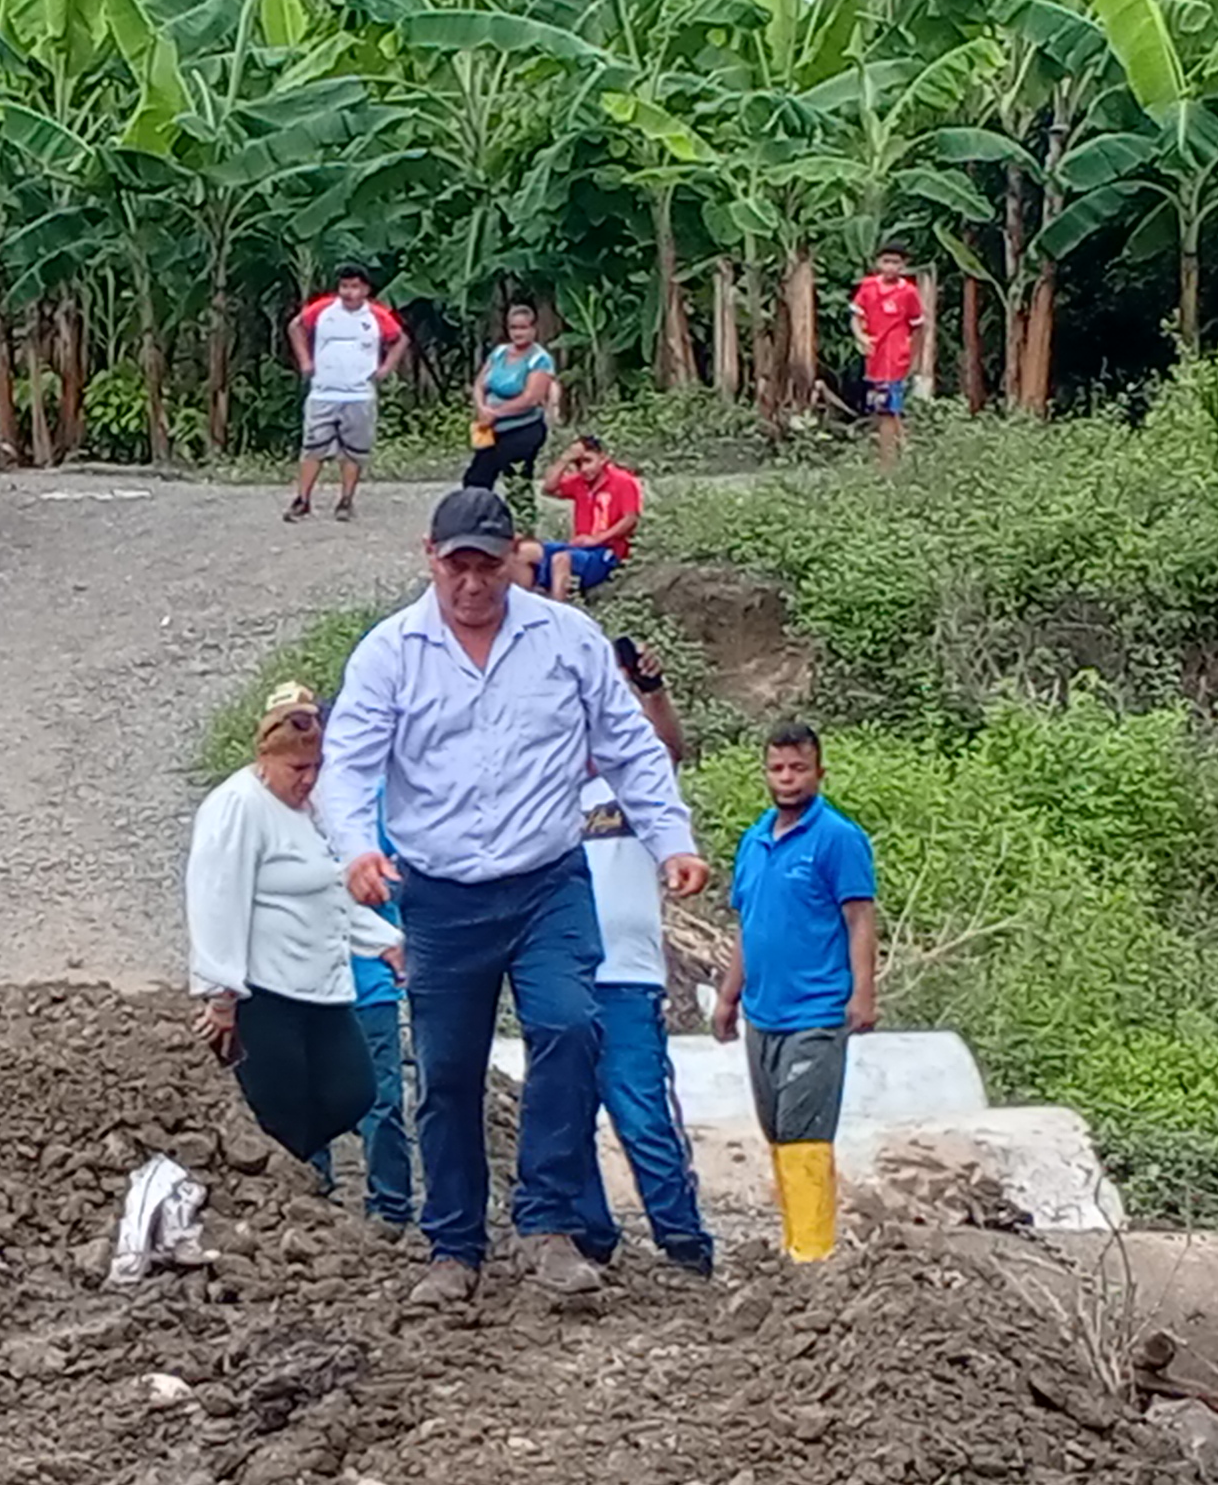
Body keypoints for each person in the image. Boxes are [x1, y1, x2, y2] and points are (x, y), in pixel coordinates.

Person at [316, 487, 706, 1305]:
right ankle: (453, 1245)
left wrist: (672, 839)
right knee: (448, 1071)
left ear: (513, 560)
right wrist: (356, 850)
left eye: (487, 567)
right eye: (456, 566)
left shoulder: (566, 640)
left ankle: (549, 1224)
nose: (472, 584)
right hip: (442, 894)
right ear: (430, 557)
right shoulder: (390, 653)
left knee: (569, 1026)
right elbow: (347, 766)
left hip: (546, 883)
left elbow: (630, 747)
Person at [185, 680, 401, 1188]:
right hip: (266, 991)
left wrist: (384, 942)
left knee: (354, 1092)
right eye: (297, 768)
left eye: (316, 768)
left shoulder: (315, 810)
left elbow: (330, 891)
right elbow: (216, 900)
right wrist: (222, 994)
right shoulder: (238, 806)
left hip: (323, 987)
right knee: (281, 1112)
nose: (308, 780)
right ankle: (289, 1196)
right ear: (266, 758)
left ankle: (299, 1184)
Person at [567, 637, 714, 1276]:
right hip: (564, 975)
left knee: (641, 1112)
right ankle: (589, 1235)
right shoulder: (548, 795)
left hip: (627, 975)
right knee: (567, 1115)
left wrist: (653, 691)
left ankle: (683, 1241)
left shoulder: (631, 786)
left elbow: (666, 750)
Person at [709, 719, 879, 1264]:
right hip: (764, 1012)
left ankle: (813, 1255)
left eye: (798, 768)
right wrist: (729, 997)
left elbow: (859, 918)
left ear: (819, 772)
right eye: (777, 768)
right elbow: (748, 926)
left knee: (806, 1131)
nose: (787, 778)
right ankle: (792, 1247)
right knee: (778, 1131)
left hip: (817, 1010)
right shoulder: (754, 840)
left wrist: (863, 994)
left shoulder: (838, 839)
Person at [283, 266, 405, 523]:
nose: (349, 293)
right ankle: (302, 499)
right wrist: (305, 361)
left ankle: (346, 500)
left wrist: (386, 368)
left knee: (353, 450)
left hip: (359, 394)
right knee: (313, 448)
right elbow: (296, 326)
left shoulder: (376, 316)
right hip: (323, 392)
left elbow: (400, 339)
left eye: (355, 287)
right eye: (344, 287)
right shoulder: (324, 309)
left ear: (365, 290)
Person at [517, 431, 643, 598]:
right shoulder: (580, 482)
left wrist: (597, 539)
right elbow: (548, 488)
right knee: (525, 550)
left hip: (607, 552)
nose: (584, 469)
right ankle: (523, 602)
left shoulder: (623, 481)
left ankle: (557, 609)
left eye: (588, 461)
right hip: (579, 547)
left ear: (603, 458)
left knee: (561, 559)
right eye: (578, 463)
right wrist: (565, 459)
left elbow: (630, 519)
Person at [349, 927, 415, 1234]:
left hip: (371, 992)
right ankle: (313, 1191)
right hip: (314, 991)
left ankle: (391, 1206)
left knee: (383, 1101)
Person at [466, 301, 559, 498]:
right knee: (475, 479)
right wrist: (482, 408)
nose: (518, 333)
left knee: (517, 482)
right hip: (491, 429)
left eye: (523, 328)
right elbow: (480, 384)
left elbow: (531, 398)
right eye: (513, 328)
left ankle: (523, 516)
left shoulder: (539, 359)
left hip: (523, 429)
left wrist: (496, 413)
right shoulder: (499, 353)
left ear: (533, 329)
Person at [851, 244, 927, 467]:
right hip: (874, 357)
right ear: (877, 264)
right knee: (885, 409)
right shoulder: (868, 287)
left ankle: (888, 463)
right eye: (886, 261)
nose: (890, 267)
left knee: (886, 410)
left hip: (895, 358)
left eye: (895, 262)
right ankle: (906, 449)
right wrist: (861, 337)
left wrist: (913, 357)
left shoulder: (908, 293)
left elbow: (918, 326)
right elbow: (856, 317)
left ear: (903, 266)